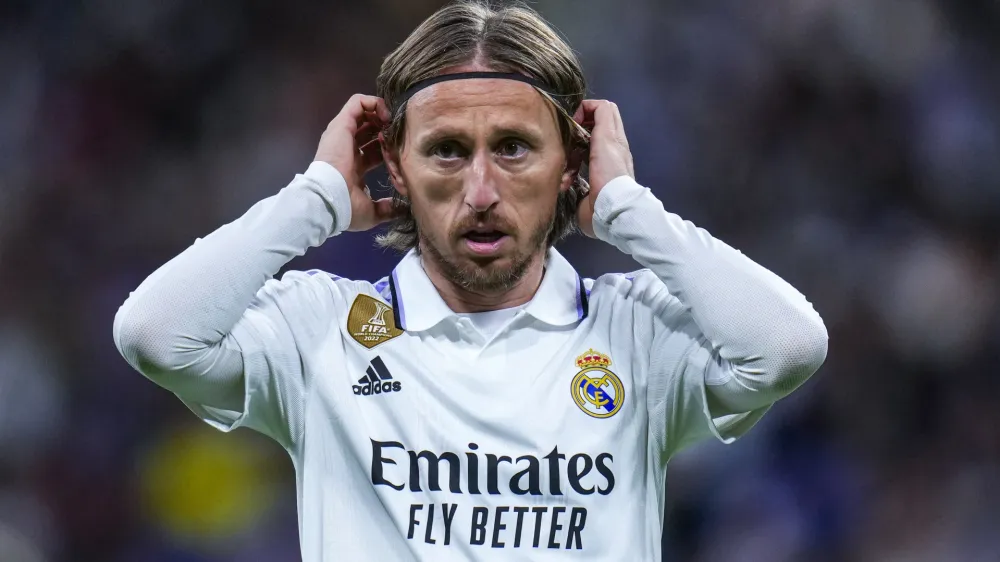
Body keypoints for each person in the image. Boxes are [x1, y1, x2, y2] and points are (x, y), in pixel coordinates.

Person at [113, 1, 828, 560]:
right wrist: (317, 199)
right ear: (394, 163)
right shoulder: (320, 329)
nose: (481, 189)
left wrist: (628, 211)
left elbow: (788, 346)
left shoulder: (636, 331)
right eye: (448, 151)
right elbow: (156, 335)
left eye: (514, 148)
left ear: (569, 160)